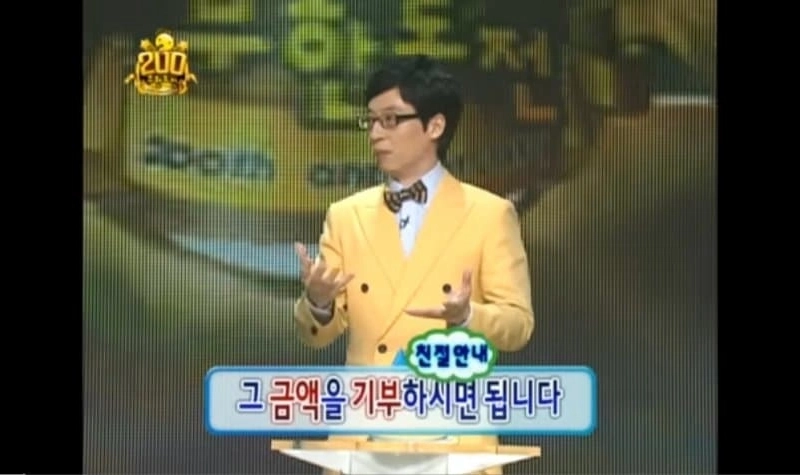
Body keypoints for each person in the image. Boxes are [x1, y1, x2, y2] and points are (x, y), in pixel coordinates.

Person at [293, 54, 535, 475]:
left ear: (434, 126)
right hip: (364, 442)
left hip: (454, 441)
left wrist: (467, 317)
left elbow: (518, 325)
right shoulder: (346, 216)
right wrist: (319, 303)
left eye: (390, 120)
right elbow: (317, 336)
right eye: (370, 121)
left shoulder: (489, 215)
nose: (375, 133)